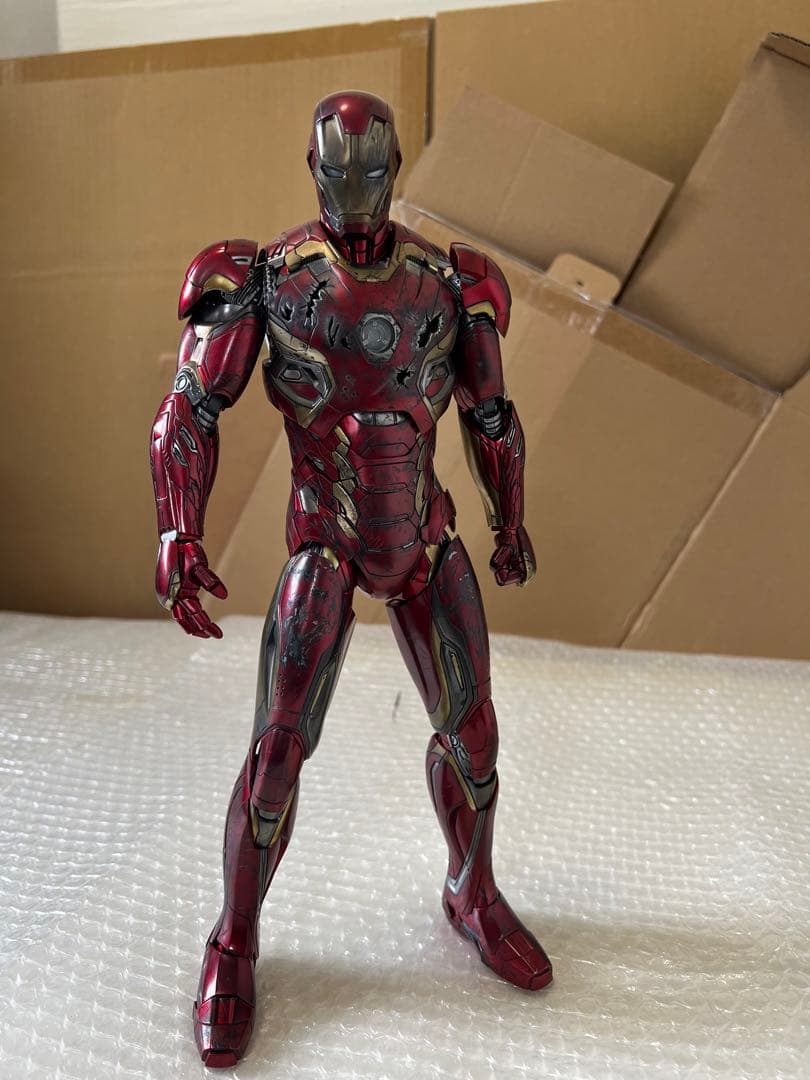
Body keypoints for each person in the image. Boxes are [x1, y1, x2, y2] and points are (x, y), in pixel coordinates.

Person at [150, 89, 551, 1068]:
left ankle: (472, 892)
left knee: (474, 734)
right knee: (277, 754)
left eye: (371, 174)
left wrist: (510, 522)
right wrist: (176, 530)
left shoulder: (451, 284)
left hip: (424, 538)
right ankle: (234, 940)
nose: (356, 192)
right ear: (313, 170)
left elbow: (491, 418)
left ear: (396, 170)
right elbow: (190, 410)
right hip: (325, 541)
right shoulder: (264, 280)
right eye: (339, 174)